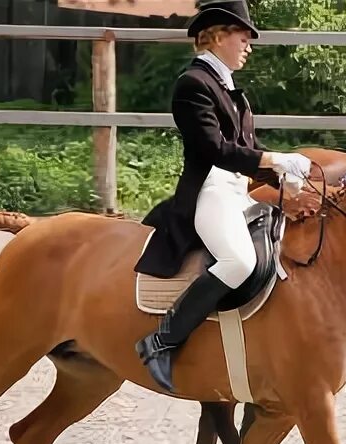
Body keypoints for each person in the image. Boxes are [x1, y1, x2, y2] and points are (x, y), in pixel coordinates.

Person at [132, 0, 313, 392]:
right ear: (218, 37)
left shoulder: (231, 90)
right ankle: (161, 341)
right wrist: (274, 158)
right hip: (210, 190)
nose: (248, 45)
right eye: (243, 37)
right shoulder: (192, 85)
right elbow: (214, 149)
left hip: (237, 190)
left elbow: (247, 146)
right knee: (239, 262)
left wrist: (280, 175)